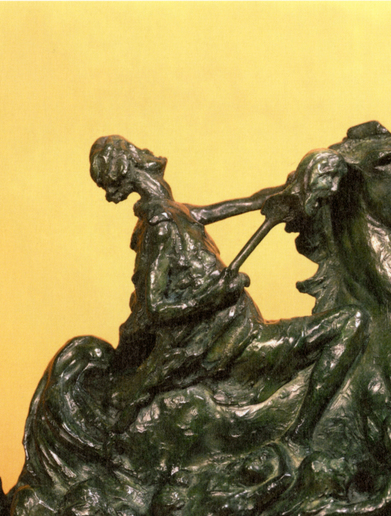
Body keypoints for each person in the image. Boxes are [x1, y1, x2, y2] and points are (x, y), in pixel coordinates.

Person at [89, 135, 368, 442]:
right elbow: (155, 307)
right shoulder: (161, 225)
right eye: (140, 154)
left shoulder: (177, 212)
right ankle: (299, 437)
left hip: (237, 331)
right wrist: (216, 296)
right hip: (232, 342)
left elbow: (250, 202)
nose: (150, 155)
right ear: (132, 165)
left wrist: (293, 188)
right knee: (351, 323)